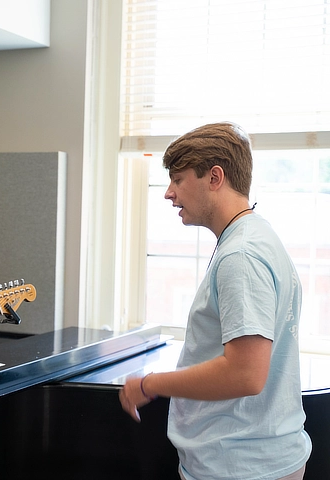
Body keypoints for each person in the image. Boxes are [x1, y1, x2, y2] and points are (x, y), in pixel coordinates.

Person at [118, 122, 311, 480]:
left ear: (214, 177)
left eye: (178, 179)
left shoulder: (241, 255)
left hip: (240, 465)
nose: (168, 193)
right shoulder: (257, 235)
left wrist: (150, 383)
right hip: (253, 459)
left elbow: (246, 373)